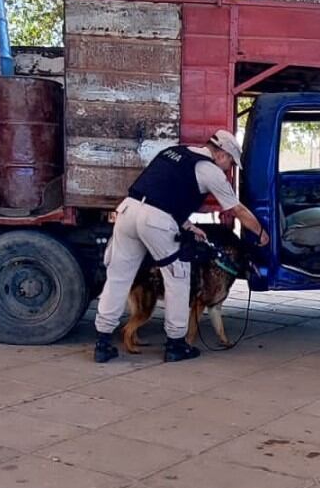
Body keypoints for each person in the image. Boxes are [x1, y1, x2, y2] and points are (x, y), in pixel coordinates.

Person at [94, 130, 269, 364]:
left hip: (128, 211)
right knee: (178, 277)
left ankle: (103, 343)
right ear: (221, 153)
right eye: (230, 163)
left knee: (118, 277)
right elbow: (237, 210)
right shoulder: (210, 171)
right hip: (155, 222)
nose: (228, 169)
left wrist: (187, 225)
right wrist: (260, 231)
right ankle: (176, 344)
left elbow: (159, 193)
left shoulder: (173, 152)